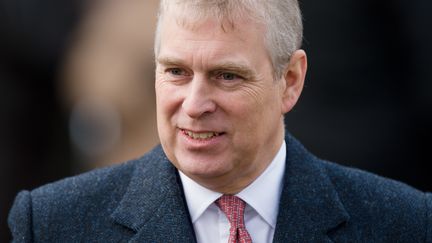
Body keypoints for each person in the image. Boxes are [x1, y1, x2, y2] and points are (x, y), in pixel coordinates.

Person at [8, 0, 432, 242]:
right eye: (175, 71)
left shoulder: (404, 223)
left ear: (291, 81)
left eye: (226, 76)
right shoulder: (50, 224)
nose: (194, 104)